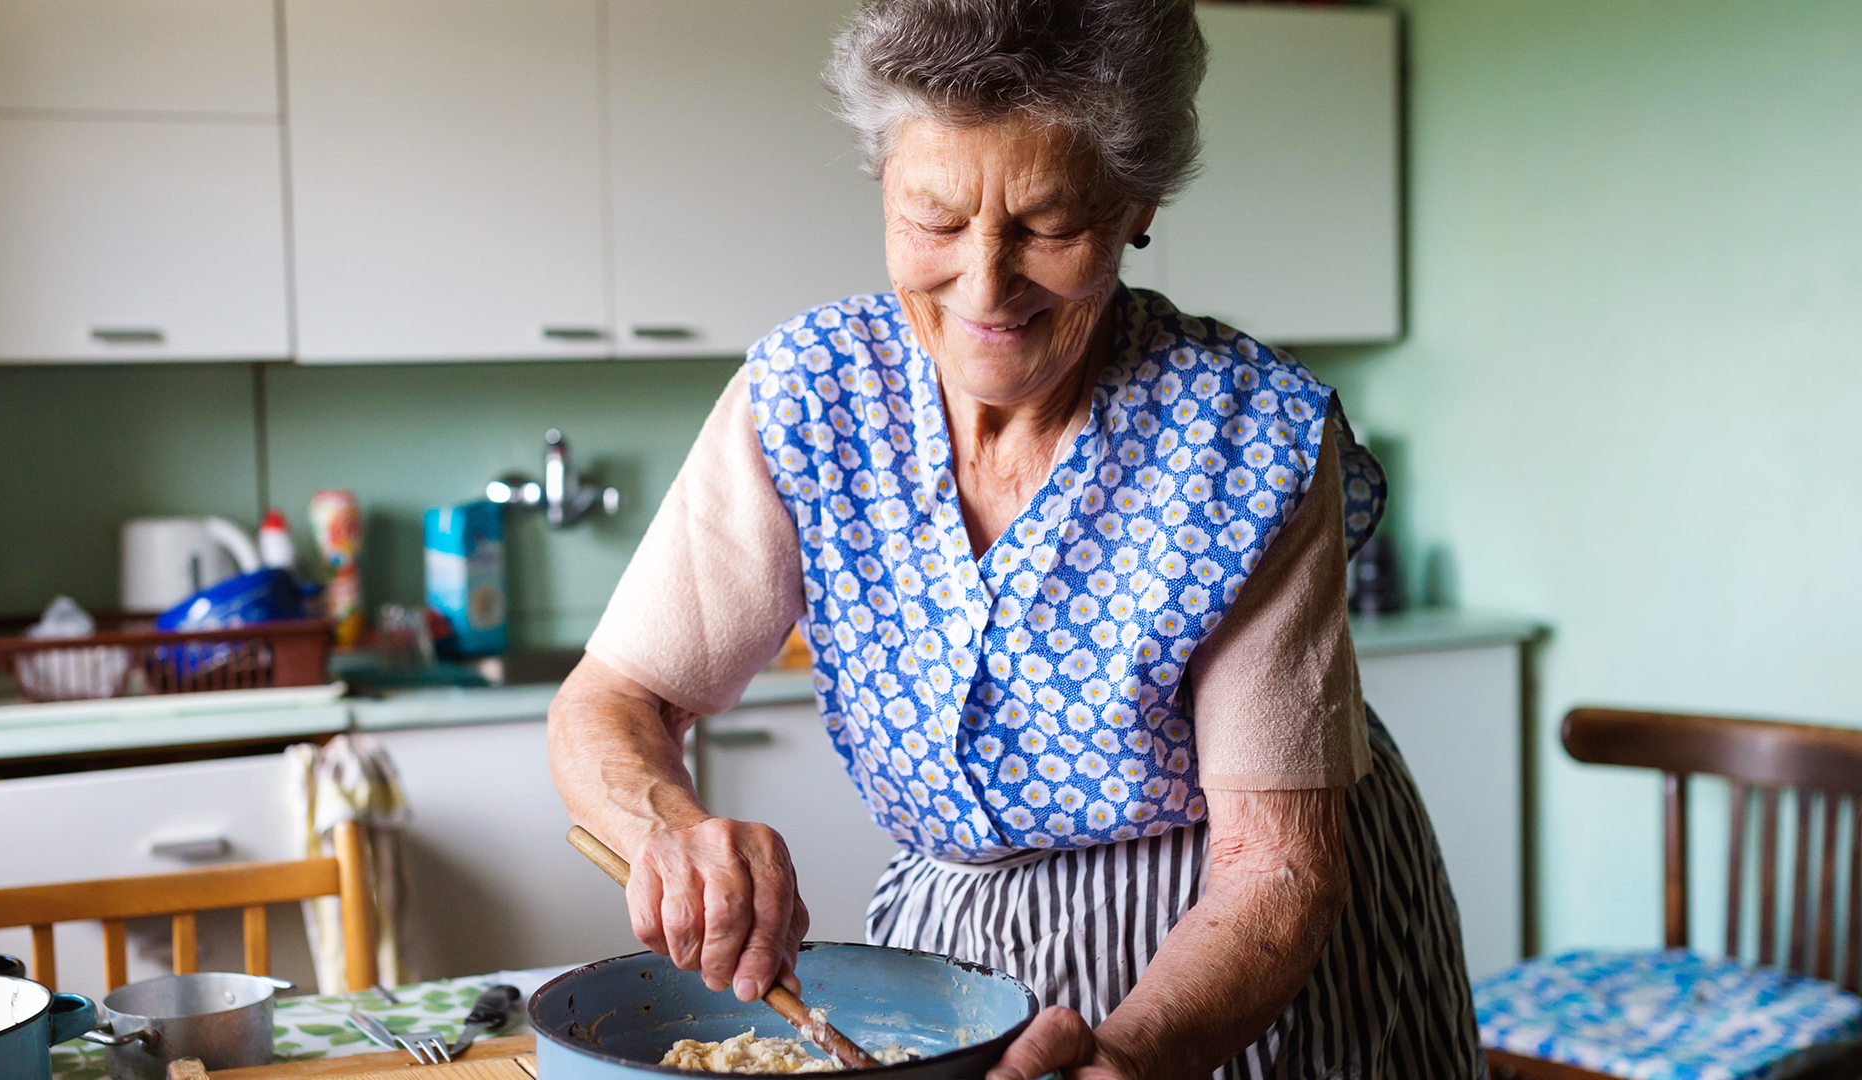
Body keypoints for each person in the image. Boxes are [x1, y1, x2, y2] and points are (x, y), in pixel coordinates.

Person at [549, 1, 1481, 1076]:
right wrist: (667, 825)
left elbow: (1273, 867)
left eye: (1047, 225)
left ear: (1137, 203)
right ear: (883, 185)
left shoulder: (1249, 439)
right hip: (961, 953)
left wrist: (1134, 1053)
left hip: (1239, 967)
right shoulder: (807, 393)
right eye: (936, 220)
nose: (985, 285)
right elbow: (611, 700)